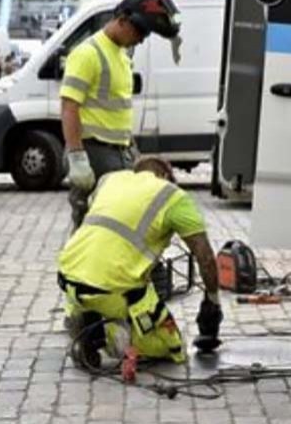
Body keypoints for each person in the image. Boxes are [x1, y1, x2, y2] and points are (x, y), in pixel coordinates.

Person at [57, 157, 223, 367]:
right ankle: (115, 334)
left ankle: (89, 322)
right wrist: (213, 302)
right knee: (172, 348)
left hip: (69, 277)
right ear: (165, 176)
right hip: (112, 287)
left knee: (104, 285)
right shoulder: (172, 195)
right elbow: (205, 257)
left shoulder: (110, 180)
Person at [60, 0, 183, 229]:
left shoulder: (122, 55)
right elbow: (69, 106)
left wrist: (132, 149)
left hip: (120, 152)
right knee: (91, 226)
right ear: (122, 20)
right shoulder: (87, 54)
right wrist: (76, 157)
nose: (142, 38)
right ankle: (75, 269)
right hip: (95, 153)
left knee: (120, 224)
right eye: (140, 30)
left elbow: (118, 109)